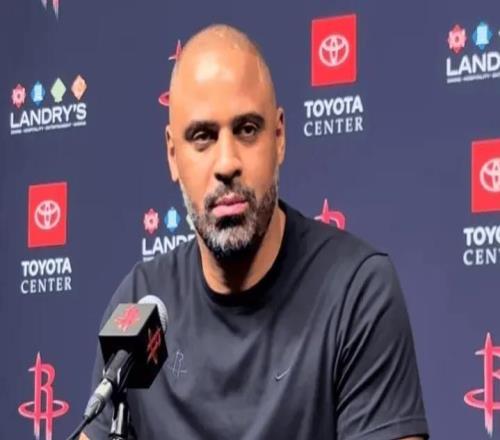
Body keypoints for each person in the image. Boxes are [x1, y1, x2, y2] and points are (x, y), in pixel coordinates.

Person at [81, 24, 429, 440]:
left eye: (247, 129)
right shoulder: (140, 304)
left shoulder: (356, 292)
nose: (227, 162)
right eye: (203, 137)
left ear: (279, 137)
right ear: (173, 155)